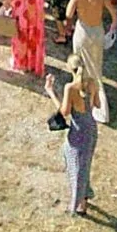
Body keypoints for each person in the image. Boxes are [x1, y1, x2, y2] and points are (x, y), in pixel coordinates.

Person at [49, 62, 101, 214]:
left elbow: (64, 112)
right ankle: (84, 198)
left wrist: (51, 92)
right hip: (91, 129)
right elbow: (97, 104)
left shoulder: (70, 88)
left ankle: (78, 204)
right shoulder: (92, 83)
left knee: (76, 167)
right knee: (85, 165)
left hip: (78, 132)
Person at [68, 0, 116, 112]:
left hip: (83, 31)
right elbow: (114, 14)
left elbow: (68, 14)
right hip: (97, 31)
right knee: (96, 68)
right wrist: (113, 28)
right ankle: (99, 103)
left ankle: (80, 93)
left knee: (80, 65)